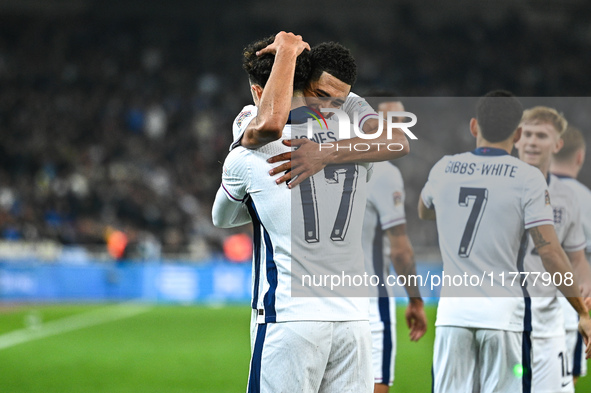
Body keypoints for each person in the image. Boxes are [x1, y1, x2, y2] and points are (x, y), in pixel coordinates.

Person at [212, 32, 385, 392]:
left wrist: (287, 53)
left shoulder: (247, 156)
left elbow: (222, 218)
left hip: (290, 320)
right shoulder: (359, 147)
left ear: (259, 92)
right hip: (354, 322)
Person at [418, 91, 591, 393]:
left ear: (474, 127)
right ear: (519, 133)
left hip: (452, 316)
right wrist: (583, 311)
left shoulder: (444, 167)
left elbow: (424, 211)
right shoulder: (527, 178)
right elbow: (550, 252)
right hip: (504, 316)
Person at [231, 41, 410, 188]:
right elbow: (270, 126)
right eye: (320, 95)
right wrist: (286, 50)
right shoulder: (252, 113)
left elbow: (398, 141)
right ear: (303, 81)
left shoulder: (349, 100)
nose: (327, 108)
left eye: (337, 103)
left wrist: (325, 152)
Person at [515, 107, 591, 393]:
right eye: (528, 134)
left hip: (550, 321)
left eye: (542, 136)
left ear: (557, 144)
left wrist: (583, 289)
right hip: (504, 319)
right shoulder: (497, 187)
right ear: (516, 138)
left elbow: (577, 257)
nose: (533, 142)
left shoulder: (568, 196)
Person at [362, 99, 427, 393]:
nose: (401, 130)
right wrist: (415, 299)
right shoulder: (384, 171)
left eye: (404, 122)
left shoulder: (326, 161)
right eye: (394, 121)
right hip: (370, 301)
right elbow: (400, 250)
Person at [551, 125, 591, 386]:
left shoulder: (528, 191)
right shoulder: (586, 200)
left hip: (520, 309)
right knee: (563, 384)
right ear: (580, 156)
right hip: (569, 311)